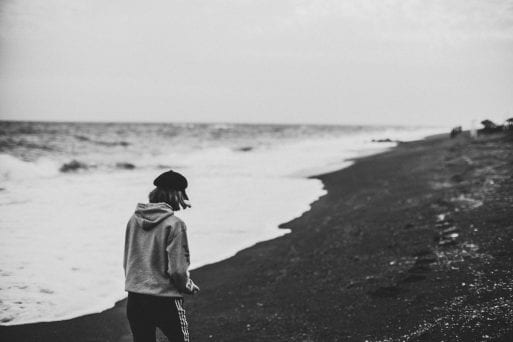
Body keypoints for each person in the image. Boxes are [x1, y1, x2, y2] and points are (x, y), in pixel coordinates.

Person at [123, 170, 199, 342]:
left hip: (136, 298)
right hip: (165, 300)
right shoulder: (175, 224)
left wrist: (135, 284)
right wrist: (187, 286)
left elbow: (129, 259)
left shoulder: (133, 220)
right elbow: (178, 270)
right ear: (177, 195)